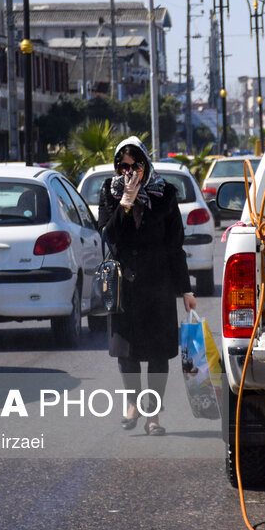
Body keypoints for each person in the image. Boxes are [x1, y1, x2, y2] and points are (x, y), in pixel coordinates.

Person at [98, 136, 197, 436]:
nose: (129, 173)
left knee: (156, 353)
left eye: (135, 166)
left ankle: (153, 416)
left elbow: (174, 246)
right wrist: (125, 202)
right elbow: (109, 235)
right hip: (123, 285)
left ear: (145, 165)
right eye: (123, 167)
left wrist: (186, 290)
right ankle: (132, 405)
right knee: (126, 351)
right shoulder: (110, 192)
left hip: (158, 284)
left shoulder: (165, 193)